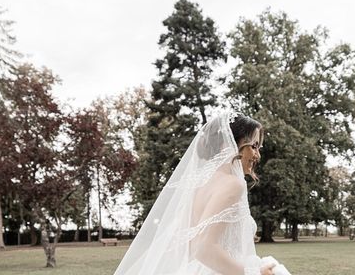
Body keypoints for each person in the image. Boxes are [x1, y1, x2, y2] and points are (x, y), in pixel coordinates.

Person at [114, 112, 276, 275]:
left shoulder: (200, 185)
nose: (257, 155)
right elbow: (203, 248)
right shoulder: (233, 184)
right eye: (253, 146)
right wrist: (254, 272)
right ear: (228, 145)